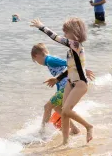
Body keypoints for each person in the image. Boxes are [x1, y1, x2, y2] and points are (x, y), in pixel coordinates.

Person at [30, 17, 93, 145]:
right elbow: (70, 68)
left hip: (80, 83)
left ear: (74, 31)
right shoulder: (71, 50)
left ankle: (88, 126)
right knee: (64, 114)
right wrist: (57, 79)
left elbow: (55, 37)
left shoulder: (75, 45)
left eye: (66, 32)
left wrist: (41, 27)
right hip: (70, 83)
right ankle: (65, 142)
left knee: (66, 111)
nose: (64, 34)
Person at [31, 43, 81, 134]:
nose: (38, 63)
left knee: (47, 106)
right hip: (65, 87)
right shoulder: (49, 61)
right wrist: (57, 83)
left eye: (36, 61)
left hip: (68, 86)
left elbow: (70, 64)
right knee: (58, 107)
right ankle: (74, 129)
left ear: (36, 55)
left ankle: (42, 132)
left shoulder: (50, 60)